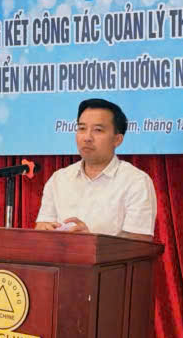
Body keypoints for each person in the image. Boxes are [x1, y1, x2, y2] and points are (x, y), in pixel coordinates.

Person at [35, 98, 157, 241]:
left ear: (117, 139)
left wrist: (90, 241)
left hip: (110, 257)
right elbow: (42, 227)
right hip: (61, 255)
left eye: (98, 130)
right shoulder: (59, 179)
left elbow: (139, 244)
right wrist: (44, 230)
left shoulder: (136, 182)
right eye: (82, 128)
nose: (87, 137)